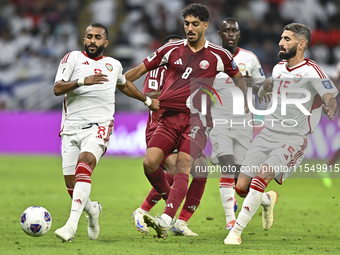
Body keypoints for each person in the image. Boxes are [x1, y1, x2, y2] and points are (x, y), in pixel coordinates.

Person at [125, 3, 247, 239]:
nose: (189, 28)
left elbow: (239, 78)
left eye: (195, 24)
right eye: (187, 24)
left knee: (187, 165)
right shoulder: (171, 51)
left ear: (205, 26)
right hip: (168, 119)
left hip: (197, 120)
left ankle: (169, 219)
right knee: (149, 163)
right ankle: (166, 203)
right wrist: (121, 81)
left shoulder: (218, 55)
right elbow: (138, 72)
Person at [224, 23, 338, 245]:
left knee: (260, 178)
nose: (280, 42)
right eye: (281, 38)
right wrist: (264, 88)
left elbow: (329, 93)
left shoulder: (311, 69)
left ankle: (235, 233)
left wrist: (329, 105)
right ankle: (267, 200)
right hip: (267, 134)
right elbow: (271, 82)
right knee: (241, 187)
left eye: (287, 39)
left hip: (293, 139)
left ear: (301, 44)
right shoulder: (278, 68)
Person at [53, 23, 159, 242]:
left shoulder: (113, 65)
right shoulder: (72, 58)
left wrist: (147, 100)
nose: (92, 41)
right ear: (84, 39)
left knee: (85, 163)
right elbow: (57, 88)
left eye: (98, 37)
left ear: (106, 42)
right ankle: (93, 211)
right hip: (71, 129)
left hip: (99, 126)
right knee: (72, 188)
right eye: (89, 36)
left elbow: (124, 85)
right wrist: (83, 81)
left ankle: (71, 226)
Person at [132, 34, 208, 237]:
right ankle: (149, 211)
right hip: (161, 127)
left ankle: (179, 221)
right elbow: (149, 96)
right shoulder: (157, 70)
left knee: (201, 170)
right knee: (177, 167)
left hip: (183, 125)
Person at [209, 18, 266, 231]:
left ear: (239, 34)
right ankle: (229, 221)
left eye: (234, 30)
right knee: (226, 165)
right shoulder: (211, 56)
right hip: (219, 120)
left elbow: (263, 88)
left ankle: (266, 199)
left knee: (241, 180)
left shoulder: (249, 58)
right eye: (226, 30)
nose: (231, 33)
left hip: (243, 121)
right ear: (220, 34)